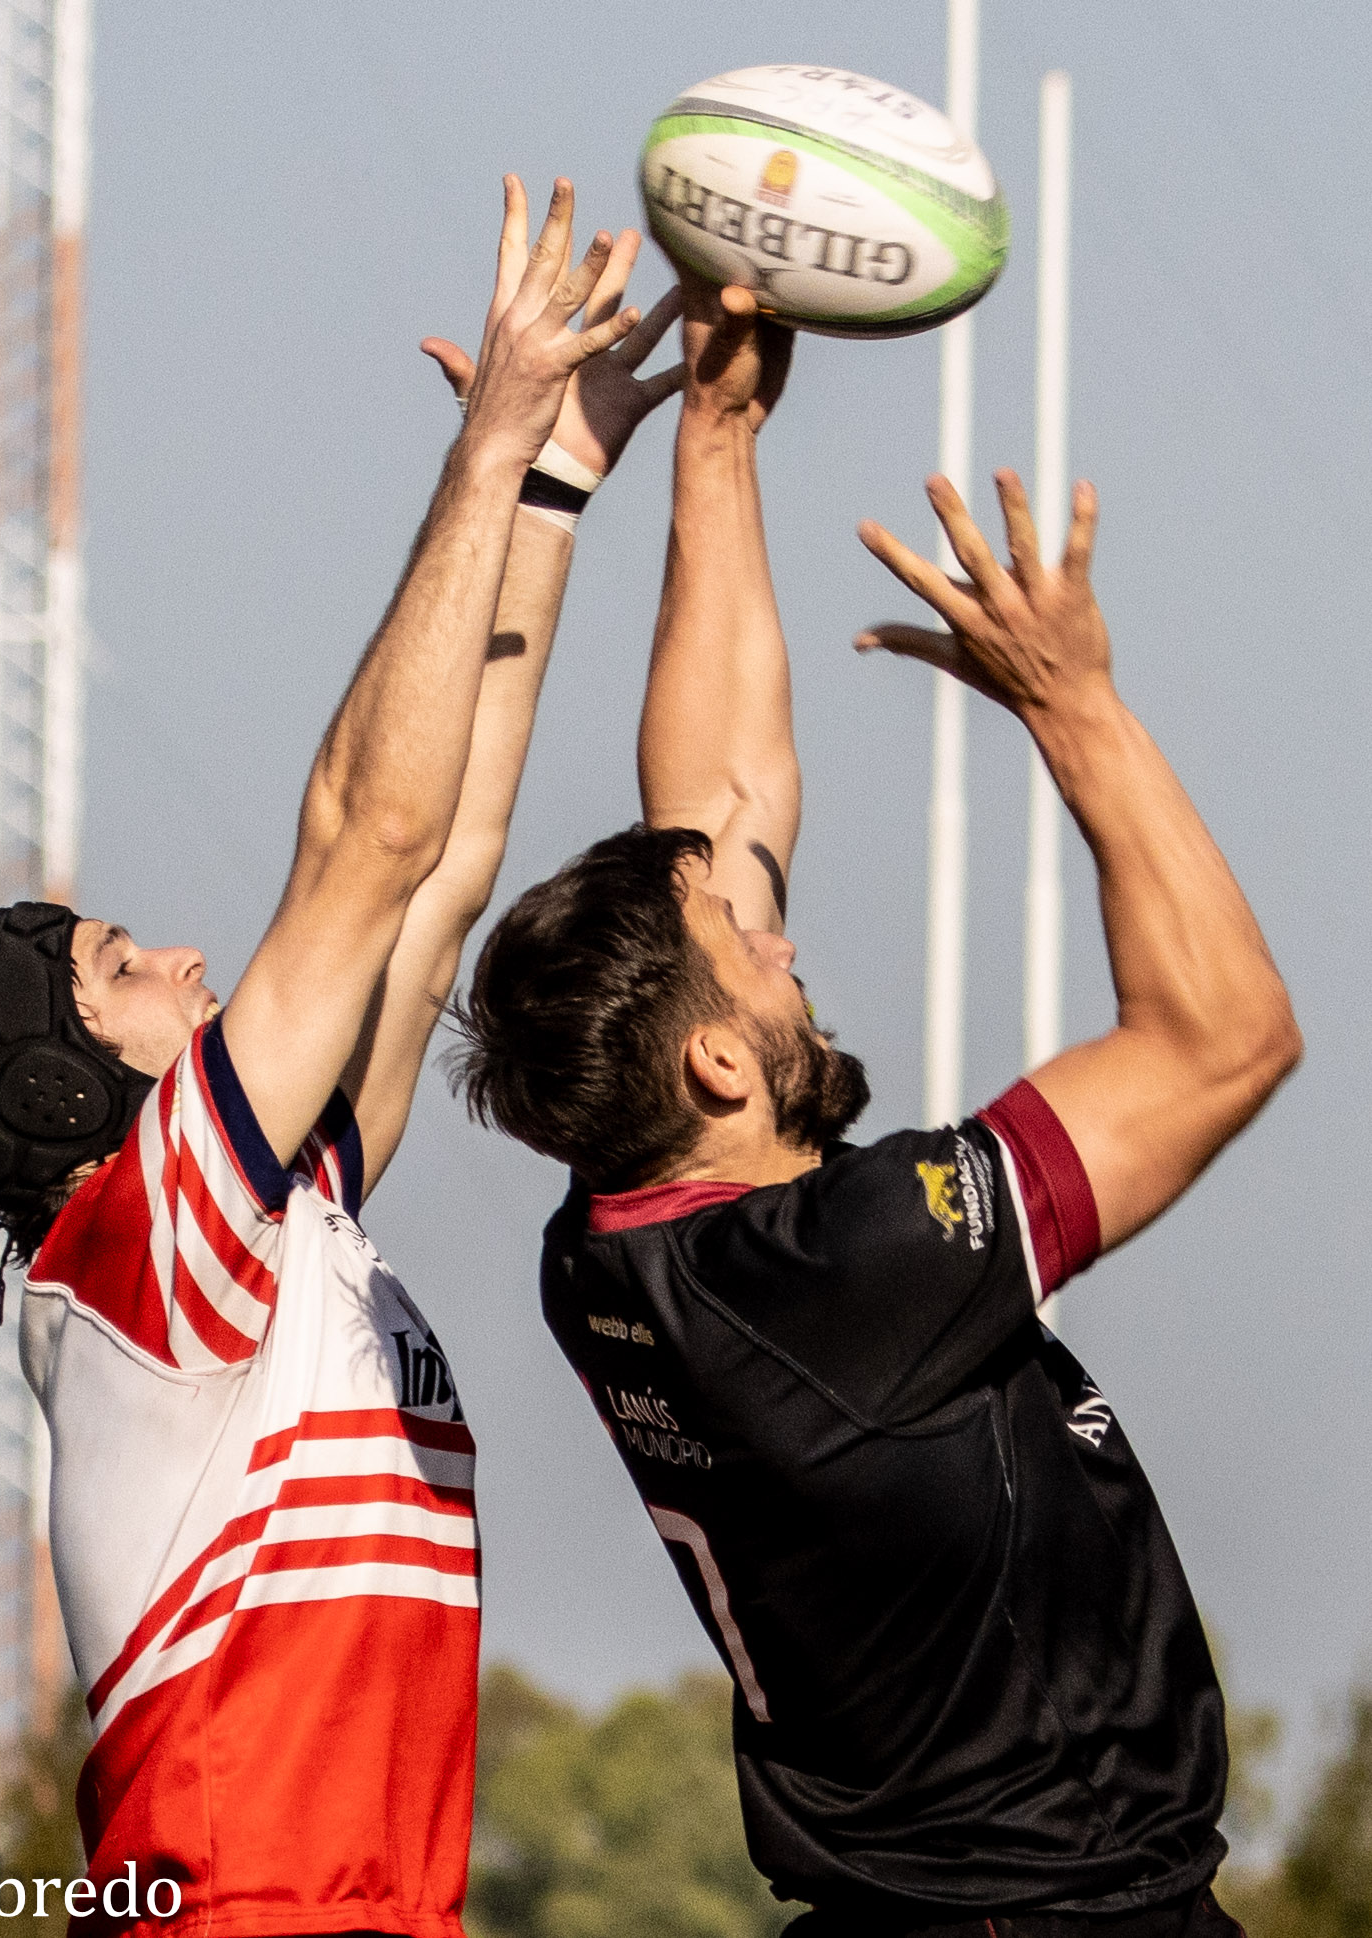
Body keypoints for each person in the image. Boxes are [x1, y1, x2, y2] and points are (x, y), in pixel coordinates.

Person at [0, 179, 682, 1938]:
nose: (175, 954)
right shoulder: (147, 1246)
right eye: (113, 961)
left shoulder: (254, 1221)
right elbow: (364, 841)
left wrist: (553, 487)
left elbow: (442, 863)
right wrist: (482, 447)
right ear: (48, 1083)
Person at [449, 278, 1300, 1937]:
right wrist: (1074, 704)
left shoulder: (611, 1230)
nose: (785, 938)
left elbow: (723, 798)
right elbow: (1226, 1035)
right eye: (749, 944)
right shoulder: (855, 1270)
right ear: (708, 1063)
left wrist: (719, 434)